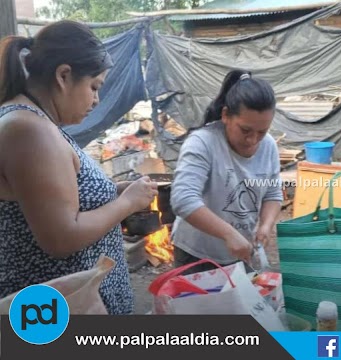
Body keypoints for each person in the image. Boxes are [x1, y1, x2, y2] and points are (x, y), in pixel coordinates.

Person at [0, 21, 157, 314]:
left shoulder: (36, 123)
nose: (96, 99)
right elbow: (62, 237)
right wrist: (126, 202)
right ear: (63, 75)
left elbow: (60, 201)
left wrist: (112, 192)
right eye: (94, 86)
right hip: (54, 314)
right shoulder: (29, 130)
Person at [170, 70, 283, 273]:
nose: (253, 140)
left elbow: (273, 194)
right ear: (225, 115)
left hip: (243, 252)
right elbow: (183, 199)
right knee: (202, 305)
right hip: (196, 254)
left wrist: (265, 226)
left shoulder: (268, 146)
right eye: (245, 130)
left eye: (262, 131)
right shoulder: (202, 142)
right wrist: (228, 234)